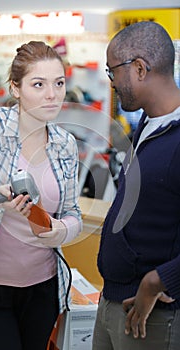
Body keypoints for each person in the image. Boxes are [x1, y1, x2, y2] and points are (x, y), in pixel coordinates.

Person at [0, 40, 82, 350]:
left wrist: (61, 230)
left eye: (59, 83)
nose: (52, 94)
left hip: (43, 289)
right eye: (39, 84)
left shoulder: (65, 144)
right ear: (15, 88)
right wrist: (0, 196)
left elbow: (73, 213)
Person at [93, 21, 180, 350]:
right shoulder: (147, 121)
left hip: (151, 315)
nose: (111, 82)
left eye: (112, 70)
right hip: (112, 300)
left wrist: (156, 282)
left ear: (140, 68)